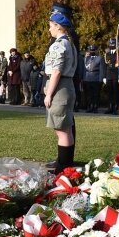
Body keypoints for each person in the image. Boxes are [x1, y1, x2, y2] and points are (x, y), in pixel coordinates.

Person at [43, 12, 77, 173]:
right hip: (67, 85)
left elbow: (56, 71)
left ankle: (63, 168)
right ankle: (65, 166)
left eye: (51, 26)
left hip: (60, 87)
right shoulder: (69, 43)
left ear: (58, 26)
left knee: (61, 130)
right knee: (66, 129)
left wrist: (49, 94)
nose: (49, 29)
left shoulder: (58, 45)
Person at [83, 45, 104, 113]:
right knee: (89, 94)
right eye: (90, 50)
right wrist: (83, 78)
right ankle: (90, 106)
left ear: (96, 51)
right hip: (87, 78)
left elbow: (101, 69)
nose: (92, 51)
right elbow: (84, 69)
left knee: (96, 94)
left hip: (96, 78)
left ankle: (95, 107)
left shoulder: (99, 58)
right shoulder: (86, 58)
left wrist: (101, 79)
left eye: (93, 50)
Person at [103, 38, 119, 114]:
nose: (111, 45)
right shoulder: (107, 54)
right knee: (109, 92)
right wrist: (104, 76)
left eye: (113, 44)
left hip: (116, 75)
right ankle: (110, 107)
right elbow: (105, 66)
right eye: (110, 44)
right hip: (109, 74)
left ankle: (115, 108)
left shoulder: (118, 54)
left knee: (115, 92)